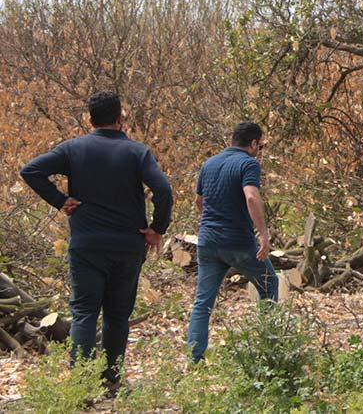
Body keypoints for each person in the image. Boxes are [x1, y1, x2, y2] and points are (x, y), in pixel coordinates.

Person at [19, 91, 174, 389]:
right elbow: (163, 190)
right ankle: (111, 381)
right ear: (120, 118)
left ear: (90, 120)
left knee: (84, 313)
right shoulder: (136, 152)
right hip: (128, 246)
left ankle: (80, 384)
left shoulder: (73, 149)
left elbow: (31, 170)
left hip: (87, 244)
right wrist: (157, 228)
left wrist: (60, 200)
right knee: (117, 315)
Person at [186, 121, 277, 362]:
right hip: (238, 242)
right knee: (269, 284)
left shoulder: (209, 164)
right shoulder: (248, 163)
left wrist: (211, 224)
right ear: (253, 143)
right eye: (260, 146)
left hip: (207, 242)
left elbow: (199, 201)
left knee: (203, 301)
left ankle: (194, 358)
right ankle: (268, 350)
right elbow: (251, 197)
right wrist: (263, 235)